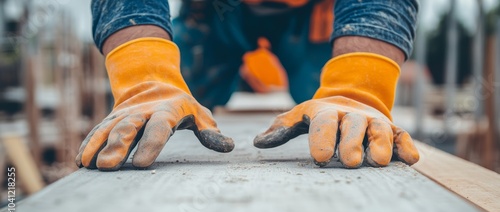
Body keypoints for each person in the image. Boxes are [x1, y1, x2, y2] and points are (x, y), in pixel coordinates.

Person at [76, 0, 420, 171]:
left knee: (334, 122)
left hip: (313, 13)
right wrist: (145, 79)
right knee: (180, 102)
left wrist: (358, 89)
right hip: (219, 10)